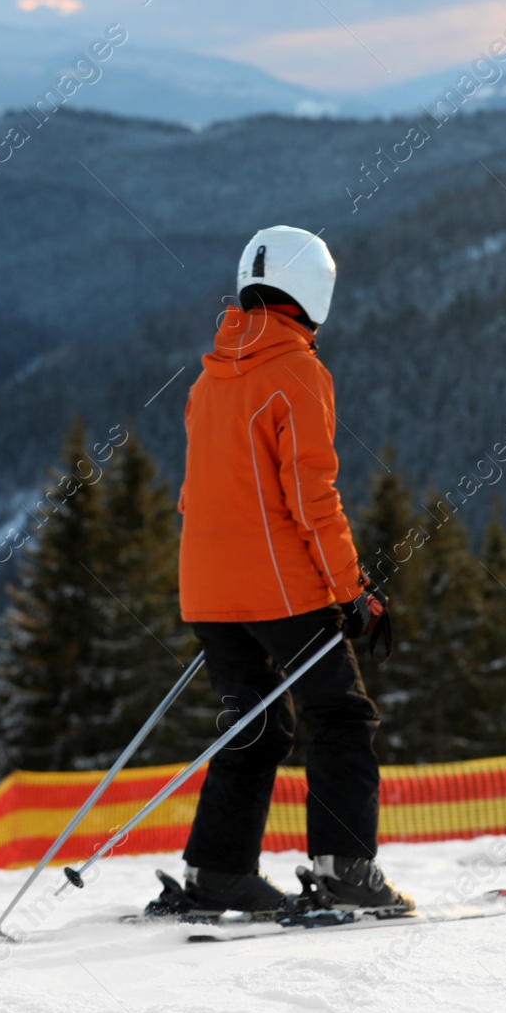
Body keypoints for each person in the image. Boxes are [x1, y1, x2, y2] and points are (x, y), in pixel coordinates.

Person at [148, 225, 410, 919]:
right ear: (313, 290)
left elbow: (196, 492)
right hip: (280, 586)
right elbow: (312, 498)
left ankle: (219, 872)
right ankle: (347, 870)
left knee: (256, 722)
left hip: (205, 588)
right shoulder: (296, 371)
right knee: (342, 715)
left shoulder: (210, 377)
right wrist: (354, 592)